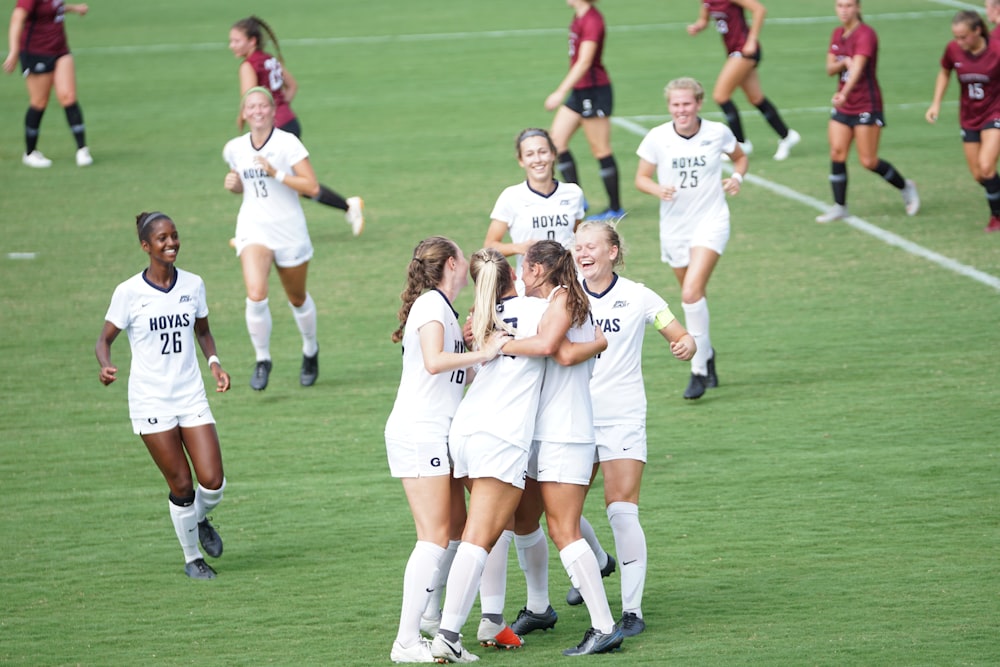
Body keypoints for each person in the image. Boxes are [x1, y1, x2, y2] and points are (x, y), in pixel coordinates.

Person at [385, 237, 511, 663]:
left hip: (436, 433)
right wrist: (482, 350)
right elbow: (435, 361)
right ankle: (405, 641)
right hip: (420, 432)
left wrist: (484, 352)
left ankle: (432, 622)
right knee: (435, 537)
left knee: (455, 529)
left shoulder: (447, 312)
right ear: (454, 264)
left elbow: (458, 376)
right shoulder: (432, 306)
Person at [492, 240, 622, 656]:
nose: (519, 276)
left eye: (524, 269)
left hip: (566, 433)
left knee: (563, 530)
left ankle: (604, 627)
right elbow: (571, 347)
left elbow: (557, 351)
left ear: (538, 270)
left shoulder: (564, 298)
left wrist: (500, 345)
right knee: (523, 520)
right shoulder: (562, 298)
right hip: (543, 434)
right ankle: (538, 608)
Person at [571, 219, 696, 637]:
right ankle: (595, 562)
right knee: (558, 513)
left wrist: (686, 345)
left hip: (622, 415)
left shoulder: (639, 296)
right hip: (569, 416)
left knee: (621, 509)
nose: (583, 253)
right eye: (578, 246)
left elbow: (678, 331)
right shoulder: (563, 294)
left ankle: (631, 611)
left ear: (612, 252)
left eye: (591, 246)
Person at [95, 212, 230, 580]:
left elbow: (203, 331)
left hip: (190, 395)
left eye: (174, 236)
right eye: (162, 239)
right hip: (150, 400)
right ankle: (192, 559)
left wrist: (215, 363)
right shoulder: (129, 293)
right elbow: (104, 339)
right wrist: (105, 365)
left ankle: (199, 519)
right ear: (145, 246)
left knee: (213, 481)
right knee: (182, 485)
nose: (171, 243)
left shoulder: (193, 284)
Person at [634, 77, 745, 400]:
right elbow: (641, 178)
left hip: (711, 220)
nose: (681, 110)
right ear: (669, 106)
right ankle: (708, 352)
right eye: (675, 105)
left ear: (698, 103)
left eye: (687, 104)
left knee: (691, 292)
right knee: (692, 296)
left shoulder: (717, 132)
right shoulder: (657, 138)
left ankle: (697, 368)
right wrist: (658, 188)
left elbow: (740, 157)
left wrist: (737, 177)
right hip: (674, 227)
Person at [222, 86, 323, 391]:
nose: (257, 111)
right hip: (254, 229)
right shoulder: (234, 149)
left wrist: (277, 173)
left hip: (289, 230)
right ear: (244, 113)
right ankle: (262, 359)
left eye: (262, 106)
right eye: (250, 106)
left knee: (297, 298)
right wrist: (234, 185)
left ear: (272, 110)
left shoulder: (287, 144)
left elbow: (312, 187)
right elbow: (245, 186)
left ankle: (310, 349)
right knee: (256, 294)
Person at [229, 15, 365, 236]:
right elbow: (292, 86)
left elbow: (249, 99)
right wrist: (279, 108)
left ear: (251, 41)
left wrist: (255, 120)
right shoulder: (269, 59)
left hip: (275, 130)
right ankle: (347, 207)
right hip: (290, 121)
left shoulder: (248, 66)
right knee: (288, 182)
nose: (231, 45)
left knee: (282, 180)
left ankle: (347, 207)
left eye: (236, 40)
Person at [816, 0, 920, 223]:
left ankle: (906, 186)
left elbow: (859, 68)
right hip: (844, 104)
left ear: (858, 8)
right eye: (840, 5)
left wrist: (844, 92)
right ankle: (840, 206)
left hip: (866, 104)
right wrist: (843, 64)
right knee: (837, 152)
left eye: (849, 5)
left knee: (868, 160)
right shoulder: (837, 33)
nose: (844, 10)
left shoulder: (866, 35)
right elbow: (829, 68)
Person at [686, 0, 801, 161]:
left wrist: (752, 39)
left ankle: (740, 143)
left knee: (721, 96)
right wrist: (697, 26)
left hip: (744, 50)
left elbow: (759, 10)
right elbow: (704, 20)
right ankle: (787, 136)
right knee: (756, 98)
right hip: (733, 51)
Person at [545, 0, 623, 221]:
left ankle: (616, 208)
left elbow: (585, 62)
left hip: (594, 90)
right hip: (580, 91)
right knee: (556, 142)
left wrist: (560, 91)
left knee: (600, 150)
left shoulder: (592, 20)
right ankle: (576, 198)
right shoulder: (579, 16)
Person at [925, 11, 1000, 233]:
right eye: (956, 37)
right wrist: (935, 103)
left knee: (987, 165)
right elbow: (945, 72)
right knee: (979, 175)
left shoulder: (996, 50)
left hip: (995, 113)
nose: (959, 42)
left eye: (963, 37)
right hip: (969, 117)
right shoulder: (953, 50)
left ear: (977, 31)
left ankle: (997, 217)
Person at [484, 128, 586, 278]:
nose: (538, 159)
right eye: (529, 154)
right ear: (521, 160)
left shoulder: (573, 193)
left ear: (553, 154)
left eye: (543, 151)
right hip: (530, 287)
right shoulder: (511, 196)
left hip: (570, 282)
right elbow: (489, 246)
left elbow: (579, 236)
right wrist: (519, 248)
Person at [3, 0, 92, 168]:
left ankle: (82, 149)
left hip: (60, 49)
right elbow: (17, 17)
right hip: (36, 52)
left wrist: (74, 8)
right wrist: (14, 52)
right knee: (39, 101)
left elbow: (53, 8)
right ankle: (30, 153)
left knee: (68, 96)